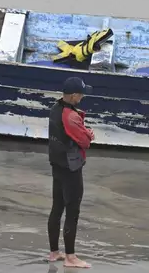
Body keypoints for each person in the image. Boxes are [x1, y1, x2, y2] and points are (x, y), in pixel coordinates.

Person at [46, 76, 95, 268]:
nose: (82, 97)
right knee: (72, 211)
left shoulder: (55, 109)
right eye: (81, 94)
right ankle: (70, 257)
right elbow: (85, 141)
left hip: (57, 164)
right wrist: (89, 133)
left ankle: (54, 252)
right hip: (70, 167)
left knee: (57, 208)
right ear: (74, 95)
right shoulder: (71, 115)